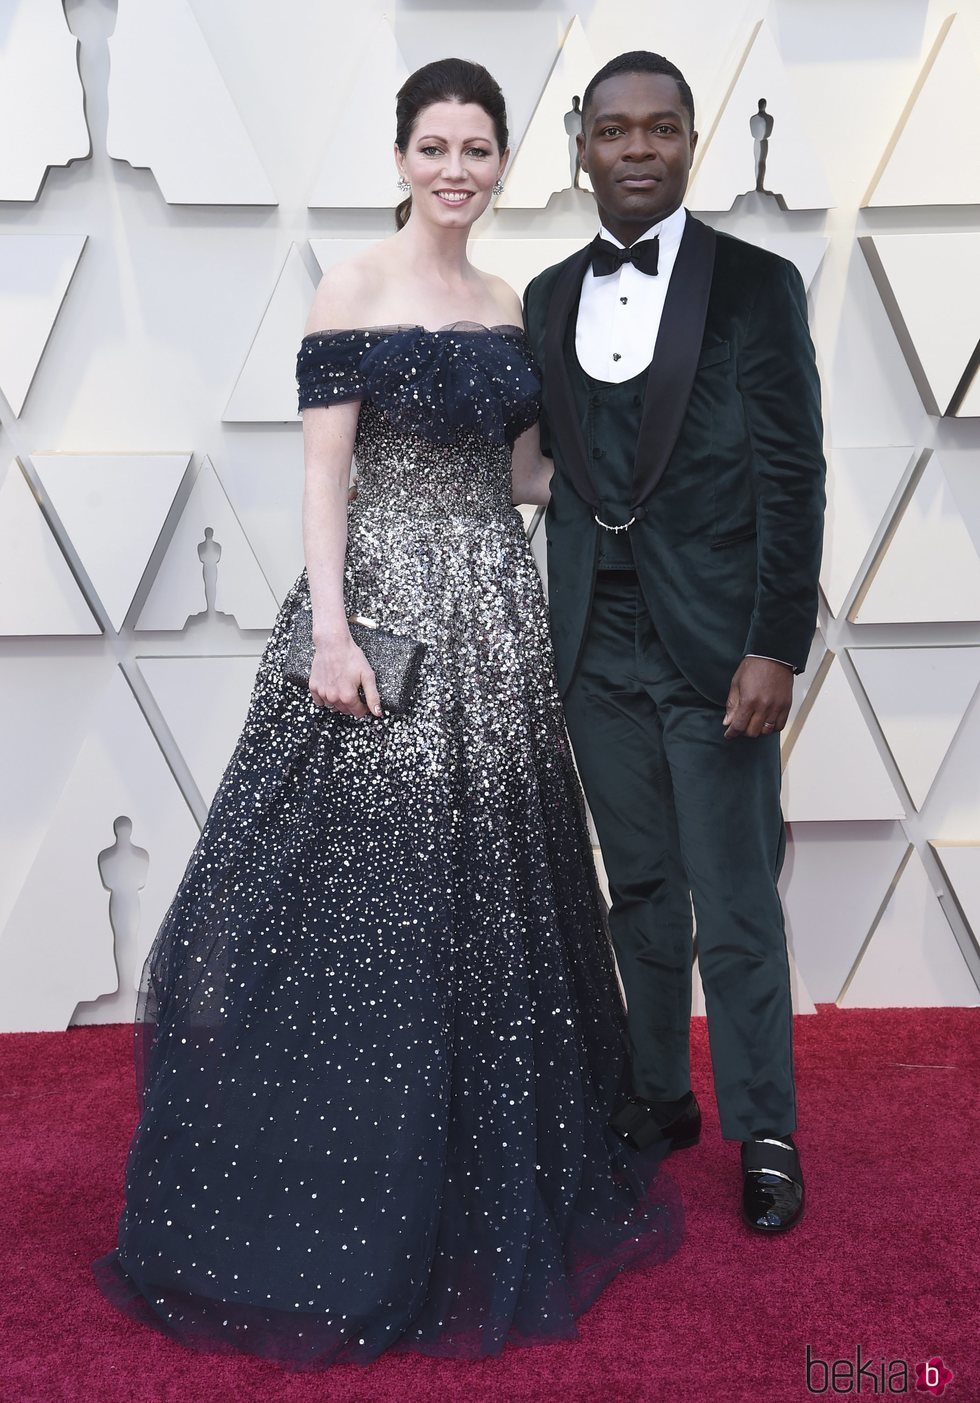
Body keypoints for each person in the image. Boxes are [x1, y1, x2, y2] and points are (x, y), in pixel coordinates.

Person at [93, 58, 681, 1367]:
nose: (457, 169)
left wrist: (614, 429)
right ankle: (340, 1170)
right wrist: (328, 629)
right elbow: (324, 473)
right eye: (435, 146)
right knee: (363, 906)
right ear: (401, 155)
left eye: (479, 147)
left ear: (506, 158)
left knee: (493, 903)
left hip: (497, 621)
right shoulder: (350, 289)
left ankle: (475, 1162)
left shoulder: (511, 305)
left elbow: (524, 471)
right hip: (382, 615)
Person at [523, 51, 825, 1234]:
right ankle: (659, 1094)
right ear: (581, 146)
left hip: (716, 647)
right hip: (592, 641)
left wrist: (776, 643)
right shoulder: (547, 294)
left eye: (659, 129)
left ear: (691, 142)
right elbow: (541, 465)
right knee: (638, 887)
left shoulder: (754, 284)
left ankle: (765, 1128)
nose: (636, 148)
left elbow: (791, 473)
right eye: (613, 130)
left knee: (733, 895)